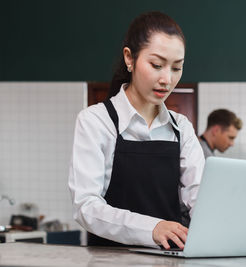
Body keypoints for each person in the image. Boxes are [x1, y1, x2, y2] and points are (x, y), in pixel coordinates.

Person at [68, 11, 204, 249]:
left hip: (169, 261)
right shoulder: (95, 121)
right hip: (109, 261)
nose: (167, 79)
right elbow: (86, 206)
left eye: (176, 68)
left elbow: (200, 197)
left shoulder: (181, 127)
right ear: (129, 59)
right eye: (157, 65)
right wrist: (152, 228)